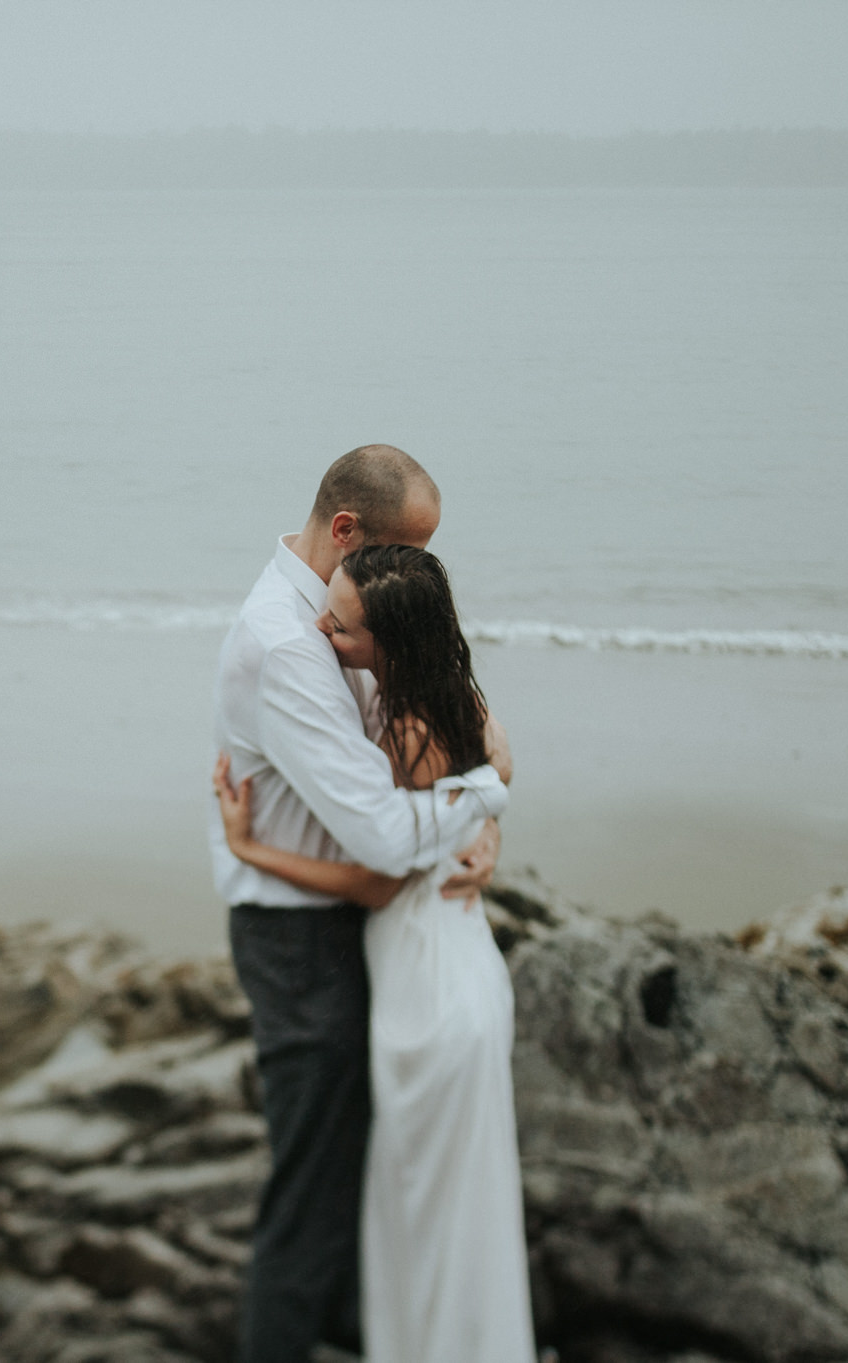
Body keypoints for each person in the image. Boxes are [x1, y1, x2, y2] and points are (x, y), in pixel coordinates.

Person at [210, 445, 508, 1363]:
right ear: (347, 532)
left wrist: (479, 808)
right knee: (311, 1192)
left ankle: (364, 1329)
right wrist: (477, 804)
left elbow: (457, 719)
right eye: (403, 551)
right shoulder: (288, 643)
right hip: (300, 939)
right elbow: (382, 840)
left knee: (366, 1166)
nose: (413, 574)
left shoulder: (362, 613)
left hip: (364, 924)